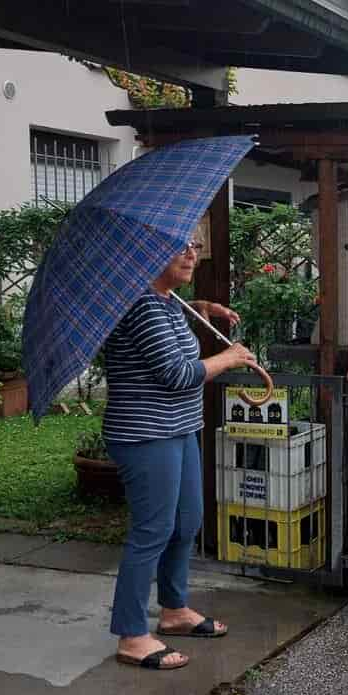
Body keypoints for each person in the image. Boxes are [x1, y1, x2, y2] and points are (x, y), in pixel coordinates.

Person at [105, 239, 259, 670]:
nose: (191, 254)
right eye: (179, 247)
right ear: (149, 255)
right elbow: (176, 374)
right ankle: (132, 634)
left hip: (178, 429)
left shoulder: (168, 301)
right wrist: (228, 358)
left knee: (187, 520)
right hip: (145, 435)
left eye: (193, 245)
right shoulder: (141, 307)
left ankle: (173, 611)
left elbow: (173, 331)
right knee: (152, 529)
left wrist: (204, 307)